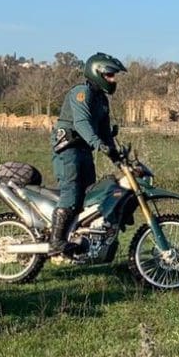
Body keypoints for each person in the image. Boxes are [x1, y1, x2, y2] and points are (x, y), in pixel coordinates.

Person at [50, 52, 127, 253]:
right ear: (97, 72)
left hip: (84, 149)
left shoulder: (102, 100)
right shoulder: (81, 93)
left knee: (89, 194)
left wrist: (117, 158)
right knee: (72, 191)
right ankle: (56, 241)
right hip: (68, 147)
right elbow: (81, 123)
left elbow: (105, 132)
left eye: (114, 76)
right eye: (110, 75)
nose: (113, 79)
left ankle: (80, 239)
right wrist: (97, 144)